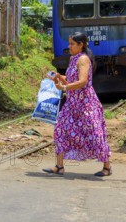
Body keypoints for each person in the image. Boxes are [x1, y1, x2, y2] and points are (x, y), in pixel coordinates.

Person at [43, 32, 112, 177]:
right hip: (72, 103)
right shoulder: (73, 59)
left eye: (72, 44)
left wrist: (65, 87)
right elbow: (70, 79)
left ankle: (107, 167)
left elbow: (82, 81)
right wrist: (58, 77)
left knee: (95, 134)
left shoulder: (83, 59)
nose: (69, 47)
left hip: (86, 103)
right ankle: (59, 166)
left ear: (81, 45)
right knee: (60, 129)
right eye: (69, 43)